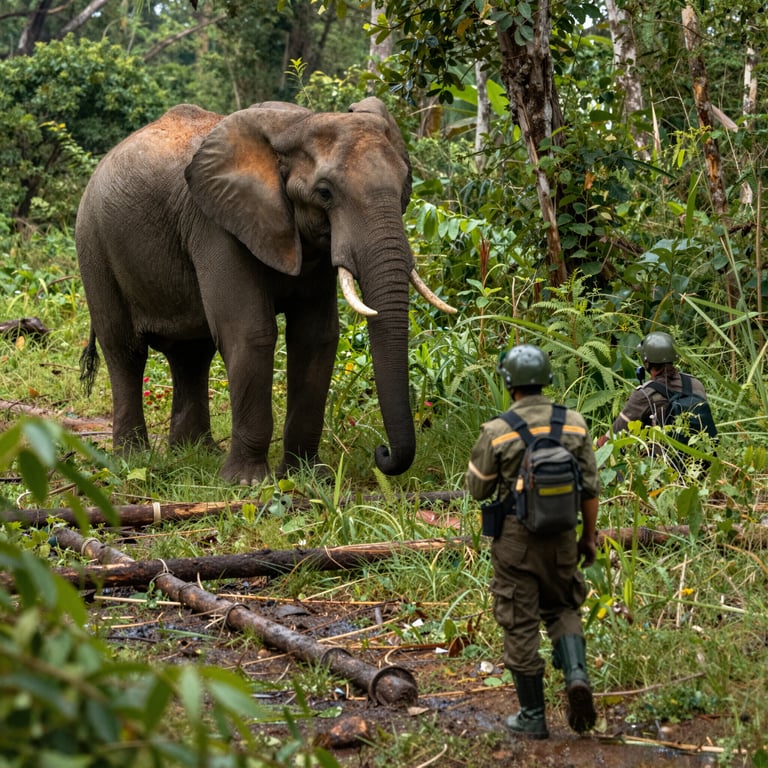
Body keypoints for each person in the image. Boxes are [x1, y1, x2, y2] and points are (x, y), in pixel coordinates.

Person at [466, 344, 600, 739]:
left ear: (509, 382)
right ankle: (576, 675)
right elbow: (590, 489)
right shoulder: (574, 423)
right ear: (546, 378)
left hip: (515, 542)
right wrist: (588, 539)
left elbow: (477, 489)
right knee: (563, 605)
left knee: (519, 619)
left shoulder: (497, 430)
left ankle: (532, 715)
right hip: (562, 537)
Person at [596, 331, 711, 452]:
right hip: (701, 459)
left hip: (664, 465)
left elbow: (615, 434)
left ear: (646, 362)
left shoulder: (644, 394)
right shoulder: (695, 384)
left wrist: (596, 447)